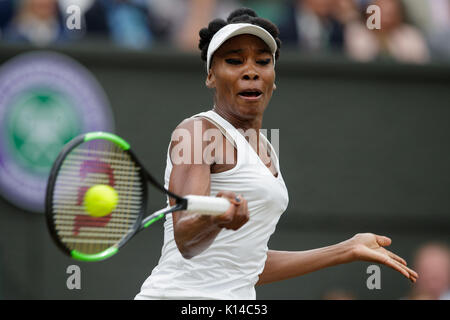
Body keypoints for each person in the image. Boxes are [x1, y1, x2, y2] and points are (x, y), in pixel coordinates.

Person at [135, 8, 418, 300]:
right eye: (234, 61)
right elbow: (186, 239)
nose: (251, 71)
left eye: (262, 61)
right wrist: (215, 216)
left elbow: (246, 265)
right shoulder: (196, 131)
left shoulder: (267, 149)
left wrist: (344, 250)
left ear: (273, 76)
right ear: (210, 75)